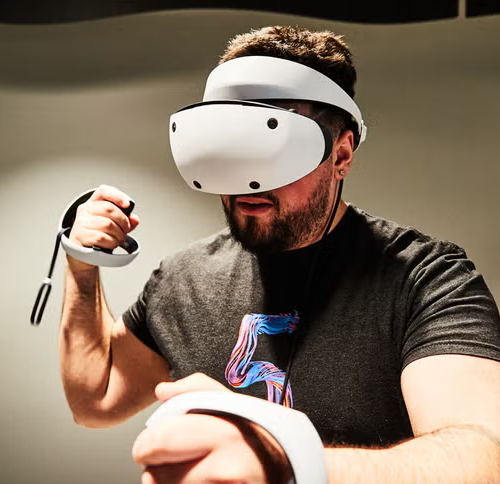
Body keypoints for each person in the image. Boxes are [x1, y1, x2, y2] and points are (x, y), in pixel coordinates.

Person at [60, 26, 500, 483]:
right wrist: (82, 267)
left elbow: (483, 458)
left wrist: (283, 458)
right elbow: (96, 399)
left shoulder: (426, 279)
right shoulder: (184, 279)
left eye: (277, 148)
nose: (251, 180)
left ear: (341, 154)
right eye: (233, 148)